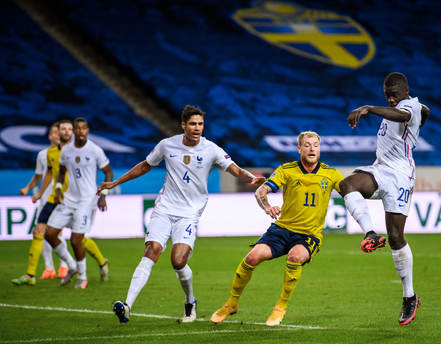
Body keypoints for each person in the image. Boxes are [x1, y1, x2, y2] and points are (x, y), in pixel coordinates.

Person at [98, 105, 265, 324]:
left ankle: (190, 302)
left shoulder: (211, 148)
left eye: (201, 124)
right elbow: (145, 166)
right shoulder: (167, 145)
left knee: (178, 261)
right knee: (152, 250)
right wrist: (116, 182)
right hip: (164, 208)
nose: (197, 128)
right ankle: (127, 305)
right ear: (183, 125)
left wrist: (250, 177)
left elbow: (234, 169)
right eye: (193, 124)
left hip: (189, 214)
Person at [211, 131, 345, 326]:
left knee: (295, 257)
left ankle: (280, 307)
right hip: (281, 229)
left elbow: (351, 194)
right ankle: (232, 303)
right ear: (299, 149)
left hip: (308, 235)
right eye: (307, 145)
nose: (312, 149)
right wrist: (267, 206)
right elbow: (261, 191)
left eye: (315, 145)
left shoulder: (331, 174)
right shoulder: (286, 170)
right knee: (252, 257)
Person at [340, 72, 430, 326]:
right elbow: (425, 113)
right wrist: (424, 116)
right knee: (347, 185)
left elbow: (404, 115)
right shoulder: (414, 106)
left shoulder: (409, 105)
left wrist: (369, 108)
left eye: (394, 95)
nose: (391, 100)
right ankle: (369, 233)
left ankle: (409, 296)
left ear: (405, 91)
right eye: (387, 96)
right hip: (380, 169)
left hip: (401, 176)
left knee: (396, 238)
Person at [44, 117, 114, 289]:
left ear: (87, 130)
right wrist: (59, 188)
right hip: (68, 199)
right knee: (49, 233)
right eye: (78, 129)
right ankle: (72, 266)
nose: (81, 131)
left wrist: (103, 195)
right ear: (74, 131)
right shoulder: (66, 150)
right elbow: (61, 169)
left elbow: (109, 172)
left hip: (87, 200)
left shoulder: (95, 150)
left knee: (76, 240)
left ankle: (82, 276)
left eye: (84, 128)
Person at [11, 123, 66, 285]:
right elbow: (39, 176)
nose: (58, 135)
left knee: (56, 233)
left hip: (60, 199)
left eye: (59, 132)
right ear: (50, 136)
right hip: (44, 200)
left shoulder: (67, 152)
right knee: (40, 233)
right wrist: (28, 188)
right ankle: (49, 268)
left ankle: (64, 266)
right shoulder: (43, 155)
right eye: (55, 133)